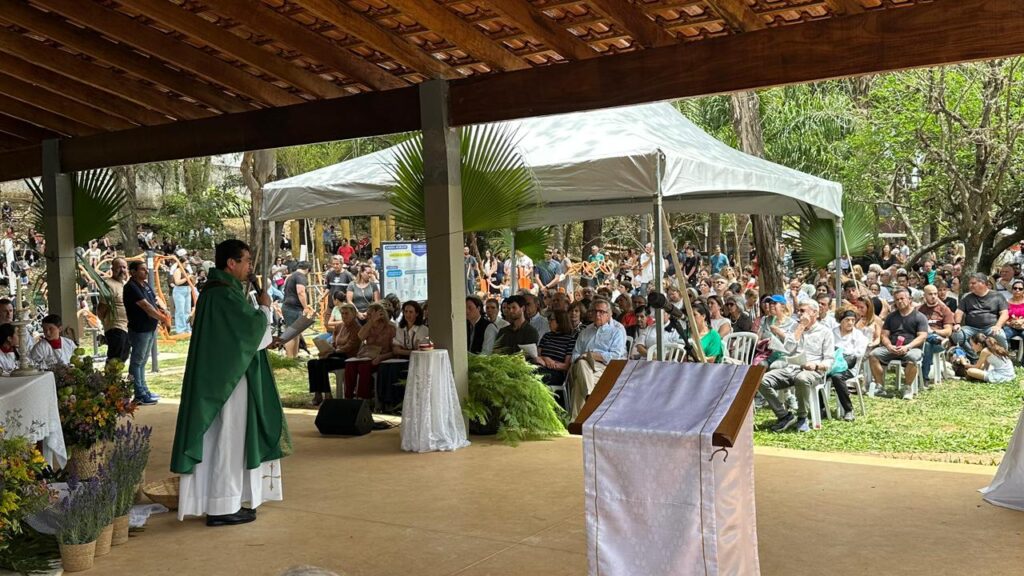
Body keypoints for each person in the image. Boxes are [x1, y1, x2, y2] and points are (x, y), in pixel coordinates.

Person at [171, 239, 287, 527]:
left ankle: (224, 502)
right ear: (231, 263)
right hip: (229, 382)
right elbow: (251, 334)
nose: (250, 267)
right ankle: (223, 508)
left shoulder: (220, 292)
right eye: (246, 261)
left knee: (224, 440)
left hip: (222, 378)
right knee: (229, 440)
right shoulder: (224, 295)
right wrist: (264, 309)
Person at [758, 300, 834, 433]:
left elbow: (829, 361)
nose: (799, 314)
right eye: (799, 310)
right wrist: (800, 327)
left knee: (802, 378)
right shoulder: (795, 327)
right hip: (791, 368)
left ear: (814, 313)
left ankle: (802, 417)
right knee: (762, 380)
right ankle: (784, 415)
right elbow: (787, 348)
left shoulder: (825, 332)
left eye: (803, 311)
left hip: (813, 372)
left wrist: (815, 365)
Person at [568, 297, 626, 420]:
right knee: (582, 364)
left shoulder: (616, 331)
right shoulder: (585, 332)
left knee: (579, 383)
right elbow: (575, 354)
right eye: (595, 311)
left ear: (609, 314)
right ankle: (590, 396)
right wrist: (583, 358)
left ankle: (576, 422)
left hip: (605, 369)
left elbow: (615, 356)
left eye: (602, 312)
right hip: (583, 367)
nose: (598, 314)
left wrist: (592, 355)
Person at [124, 260, 170, 405]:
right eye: (142, 270)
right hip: (139, 329)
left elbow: (153, 301)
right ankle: (139, 394)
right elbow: (145, 306)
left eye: (145, 269)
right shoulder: (131, 287)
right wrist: (162, 318)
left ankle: (144, 389)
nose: (146, 272)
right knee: (137, 361)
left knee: (143, 361)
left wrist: (163, 310)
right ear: (133, 272)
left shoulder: (145, 285)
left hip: (150, 327)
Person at [869, 288, 929, 399]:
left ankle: (907, 387)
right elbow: (884, 335)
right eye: (897, 299)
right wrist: (889, 346)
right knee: (873, 355)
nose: (900, 301)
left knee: (913, 357)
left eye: (902, 298)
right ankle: (880, 386)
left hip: (912, 347)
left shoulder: (919, 317)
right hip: (892, 347)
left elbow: (922, 336)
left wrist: (908, 346)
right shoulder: (891, 316)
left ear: (910, 299)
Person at [306, 303, 361, 406]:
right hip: (335, 354)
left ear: (353, 314)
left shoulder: (357, 328)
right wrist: (326, 349)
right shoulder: (339, 326)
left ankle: (327, 394)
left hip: (348, 357)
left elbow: (350, 346)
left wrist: (333, 352)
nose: (344, 316)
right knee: (312, 363)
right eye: (342, 313)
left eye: (347, 313)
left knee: (322, 363)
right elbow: (334, 343)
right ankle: (317, 393)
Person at [343, 303, 395, 399]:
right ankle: (348, 397)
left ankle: (364, 398)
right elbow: (361, 336)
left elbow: (394, 351)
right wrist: (371, 322)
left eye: (371, 314)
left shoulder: (390, 328)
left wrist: (380, 357)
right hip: (366, 356)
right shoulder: (368, 326)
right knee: (350, 365)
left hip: (382, 358)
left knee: (364, 367)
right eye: (368, 314)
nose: (368, 317)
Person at [953, 272, 1009, 358]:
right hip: (971, 328)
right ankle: (973, 356)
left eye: (973, 283)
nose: (970, 285)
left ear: (983, 283)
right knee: (957, 335)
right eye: (969, 283)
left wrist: (998, 326)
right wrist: (957, 323)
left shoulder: (997, 296)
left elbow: (1005, 313)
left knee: (999, 335)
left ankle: (1004, 358)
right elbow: (959, 312)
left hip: (990, 327)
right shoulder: (966, 297)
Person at [831, 308, 868, 421]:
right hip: (831, 364)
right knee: (818, 376)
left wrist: (841, 352)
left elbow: (859, 353)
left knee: (837, 376)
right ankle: (821, 407)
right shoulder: (832, 333)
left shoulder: (858, 335)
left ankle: (848, 409)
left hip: (849, 367)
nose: (850, 323)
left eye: (853, 320)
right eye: (847, 320)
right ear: (840, 320)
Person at [532, 310, 576, 392]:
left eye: (552, 319)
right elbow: (537, 355)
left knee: (535, 377)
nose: (549, 321)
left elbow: (566, 366)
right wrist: (546, 359)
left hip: (556, 373)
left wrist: (552, 364)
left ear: (560, 321)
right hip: (539, 366)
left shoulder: (570, 340)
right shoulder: (547, 336)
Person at [918, 284, 955, 382]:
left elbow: (948, 331)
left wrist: (933, 331)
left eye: (935, 294)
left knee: (927, 344)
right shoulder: (919, 310)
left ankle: (923, 378)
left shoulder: (944, 309)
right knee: (927, 342)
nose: (933, 296)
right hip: (921, 340)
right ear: (924, 295)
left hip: (939, 342)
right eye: (930, 294)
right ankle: (932, 338)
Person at [96, 257, 130, 362]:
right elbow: (101, 309)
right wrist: (107, 323)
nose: (122, 270)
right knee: (115, 359)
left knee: (122, 358)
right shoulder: (109, 285)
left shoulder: (124, 284)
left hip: (126, 327)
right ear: (112, 269)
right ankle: (109, 378)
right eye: (119, 267)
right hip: (115, 328)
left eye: (124, 267)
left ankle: (115, 378)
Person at [281, 261, 312, 358]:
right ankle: (290, 358)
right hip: (292, 308)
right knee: (291, 333)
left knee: (296, 333)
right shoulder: (300, 276)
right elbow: (301, 292)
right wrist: (306, 307)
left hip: (289, 306)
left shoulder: (290, 276)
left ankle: (294, 356)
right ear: (307, 269)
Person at [170, 248, 194, 335]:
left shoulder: (187, 270)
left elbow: (192, 281)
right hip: (179, 290)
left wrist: (192, 279)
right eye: (186, 263)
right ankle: (180, 329)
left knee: (187, 310)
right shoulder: (177, 270)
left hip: (187, 289)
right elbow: (177, 282)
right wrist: (186, 278)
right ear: (181, 263)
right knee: (180, 310)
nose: (187, 265)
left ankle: (188, 328)